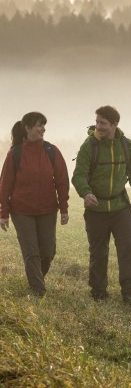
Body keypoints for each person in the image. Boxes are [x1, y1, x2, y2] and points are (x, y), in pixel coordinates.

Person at [72, 105, 131, 305]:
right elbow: (78, 175)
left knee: (127, 248)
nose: (98, 126)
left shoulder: (126, 145)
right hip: (96, 210)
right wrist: (86, 193)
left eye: (103, 123)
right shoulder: (89, 146)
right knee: (98, 251)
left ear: (115, 125)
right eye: (97, 122)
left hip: (121, 207)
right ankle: (98, 290)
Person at [0, 112, 70, 297]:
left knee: (47, 251)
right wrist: (4, 213)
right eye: (39, 125)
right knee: (31, 252)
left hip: (47, 210)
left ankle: (36, 278)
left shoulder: (51, 150)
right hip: (21, 211)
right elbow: (5, 184)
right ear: (27, 128)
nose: (43, 129)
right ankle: (38, 291)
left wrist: (64, 209)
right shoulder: (15, 153)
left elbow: (62, 181)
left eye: (44, 125)